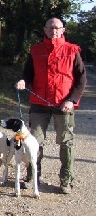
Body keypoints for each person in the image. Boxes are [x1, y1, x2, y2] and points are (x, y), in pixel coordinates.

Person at [14, 17, 86, 194]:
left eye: (57, 27)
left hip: (64, 104)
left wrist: (72, 100)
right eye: (50, 27)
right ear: (44, 30)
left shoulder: (72, 50)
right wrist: (24, 81)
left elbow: (81, 79)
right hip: (39, 104)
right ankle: (32, 177)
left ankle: (66, 180)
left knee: (66, 142)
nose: (53, 30)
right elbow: (28, 73)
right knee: (34, 141)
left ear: (63, 30)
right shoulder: (36, 50)